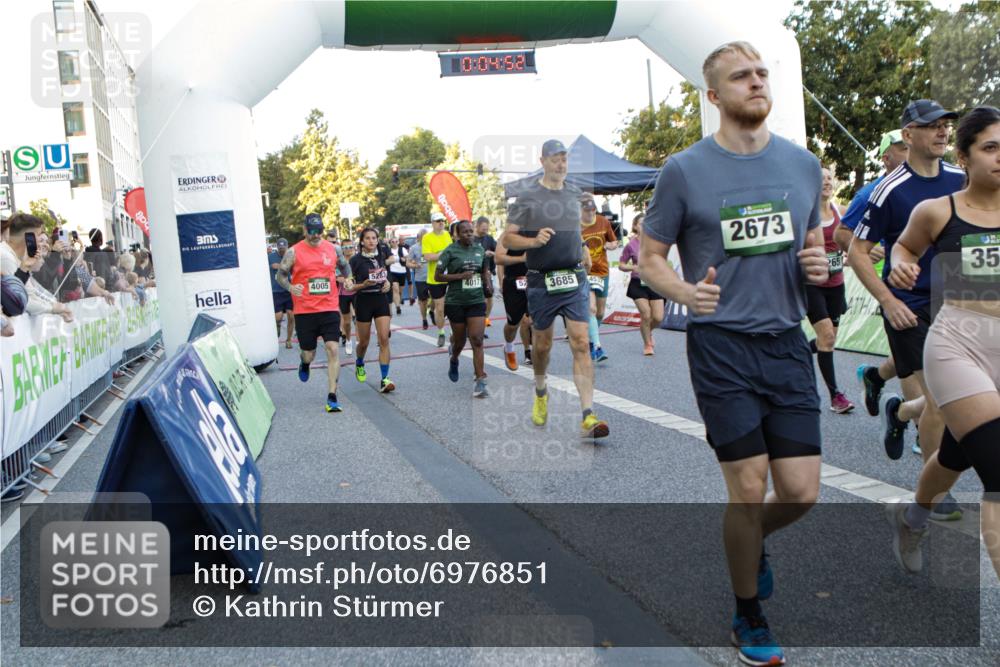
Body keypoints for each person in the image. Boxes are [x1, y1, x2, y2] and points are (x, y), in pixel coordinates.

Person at [639, 41, 829, 666]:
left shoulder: (802, 166)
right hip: (721, 347)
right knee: (748, 488)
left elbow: (810, 249)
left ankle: (750, 545)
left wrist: (818, 265)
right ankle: (747, 613)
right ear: (714, 96)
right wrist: (684, 292)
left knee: (800, 493)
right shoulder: (684, 170)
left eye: (761, 74)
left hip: (784, 343)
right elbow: (650, 257)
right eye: (740, 77)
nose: (756, 83)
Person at [884, 106, 1000, 579]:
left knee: (954, 455)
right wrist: (900, 264)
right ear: (965, 156)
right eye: (990, 147)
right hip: (959, 345)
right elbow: (904, 247)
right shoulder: (938, 210)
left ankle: (912, 519)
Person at [848, 99, 965, 519]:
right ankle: (934, 494)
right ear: (908, 135)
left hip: (958, 303)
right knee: (940, 399)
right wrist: (888, 299)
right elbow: (856, 251)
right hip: (909, 306)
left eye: (946, 125)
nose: (943, 132)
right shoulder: (888, 189)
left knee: (950, 399)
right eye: (932, 126)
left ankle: (898, 412)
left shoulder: (960, 179)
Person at [500, 138, 609, 440]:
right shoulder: (527, 197)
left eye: (564, 158)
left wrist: (583, 246)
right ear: (543, 161)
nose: (561, 164)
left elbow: (573, 229)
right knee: (543, 346)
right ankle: (540, 390)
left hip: (573, 277)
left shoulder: (574, 194)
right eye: (555, 158)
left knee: (580, 341)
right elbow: (507, 240)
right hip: (541, 280)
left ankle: (588, 414)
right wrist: (533, 242)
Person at [837, 130, 908, 418]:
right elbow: (843, 234)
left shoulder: (944, 184)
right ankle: (921, 427)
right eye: (902, 148)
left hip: (942, 283)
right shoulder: (871, 193)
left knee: (914, 357)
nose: (909, 151)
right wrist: (868, 249)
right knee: (915, 360)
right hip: (895, 285)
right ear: (886, 157)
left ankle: (876, 377)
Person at [275, 214, 352, 412]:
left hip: (328, 308)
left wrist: (349, 278)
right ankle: (304, 363)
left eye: (319, 231)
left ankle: (332, 395)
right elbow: (280, 275)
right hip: (305, 311)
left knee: (333, 349)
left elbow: (345, 267)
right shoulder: (293, 251)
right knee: (308, 354)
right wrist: (291, 287)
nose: (316, 235)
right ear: (305, 230)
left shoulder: (333, 249)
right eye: (312, 231)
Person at [806, 167, 855, 414]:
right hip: (811, 285)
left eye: (829, 178)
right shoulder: (806, 213)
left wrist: (849, 252)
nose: (826, 181)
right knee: (827, 337)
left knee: (829, 338)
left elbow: (851, 240)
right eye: (821, 178)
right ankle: (836, 396)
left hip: (836, 284)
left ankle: (799, 351)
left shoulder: (841, 211)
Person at [435, 220, 492, 397]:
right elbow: (438, 276)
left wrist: (488, 285)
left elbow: (484, 271)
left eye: (470, 231)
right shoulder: (450, 251)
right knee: (459, 341)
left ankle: (480, 380)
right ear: (457, 234)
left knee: (477, 339)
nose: (469, 234)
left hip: (476, 300)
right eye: (465, 232)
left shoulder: (479, 249)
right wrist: (460, 276)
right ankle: (454, 358)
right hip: (455, 302)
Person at [350, 227, 396, 393]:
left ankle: (384, 379)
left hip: (380, 300)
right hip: (363, 301)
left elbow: (386, 275)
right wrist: (363, 285)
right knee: (364, 342)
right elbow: (349, 286)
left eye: (374, 238)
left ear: (378, 240)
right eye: (367, 238)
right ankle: (360, 362)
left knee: (384, 339)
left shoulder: (381, 256)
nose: (371, 241)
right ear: (362, 241)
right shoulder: (355, 261)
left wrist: (388, 284)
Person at [580, 192, 619, 362]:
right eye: (587, 210)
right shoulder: (575, 225)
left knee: (600, 312)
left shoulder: (603, 221)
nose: (590, 213)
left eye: (593, 210)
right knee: (592, 308)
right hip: (584, 271)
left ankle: (591, 337)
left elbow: (614, 241)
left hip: (602, 270)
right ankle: (597, 346)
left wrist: (611, 245)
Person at [618, 213, 664, 355]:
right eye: (640, 223)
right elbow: (621, 265)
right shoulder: (630, 245)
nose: (644, 226)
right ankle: (647, 345)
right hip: (638, 282)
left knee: (658, 318)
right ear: (635, 226)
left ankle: (647, 331)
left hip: (654, 281)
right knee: (645, 314)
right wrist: (633, 267)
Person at [495, 232, 533, 370]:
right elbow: (498, 259)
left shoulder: (538, 233)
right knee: (513, 324)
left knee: (531, 321)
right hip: (513, 282)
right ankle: (509, 347)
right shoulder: (507, 235)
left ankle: (535, 357)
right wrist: (521, 259)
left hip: (534, 280)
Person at [422, 212, 453, 347]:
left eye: (442, 221)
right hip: (435, 278)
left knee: (451, 306)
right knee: (440, 309)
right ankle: (441, 332)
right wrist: (442, 255)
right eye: (438, 221)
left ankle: (453, 332)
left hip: (450, 276)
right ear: (432, 223)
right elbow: (428, 257)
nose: (441, 223)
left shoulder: (448, 235)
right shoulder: (427, 238)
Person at [269, 238, 295, 349]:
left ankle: (289, 340)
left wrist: (280, 266)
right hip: (276, 290)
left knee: (291, 315)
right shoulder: (270, 257)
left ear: (287, 247)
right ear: (277, 247)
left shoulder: (291, 256)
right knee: (278, 317)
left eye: (283, 248)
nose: (281, 250)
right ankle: (278, 325)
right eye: (280, 249)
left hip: (288, 290)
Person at [407, 229, 434, 329]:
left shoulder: (433, 246)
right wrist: (415, 266)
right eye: (423, 237)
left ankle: (431, 310)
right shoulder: (414, 248)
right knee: (423, 301)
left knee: (435, 297)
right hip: (420, 278)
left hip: (433, 277)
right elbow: (408, 263)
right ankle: (424, 319)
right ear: (419, 238)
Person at [473, 216, 498, 327]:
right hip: (474, 274)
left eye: (487, 229)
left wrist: (493, 254)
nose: (485, 231)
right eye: (483, 229)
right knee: (479, 301)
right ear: (477, 226)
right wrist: (484, 254)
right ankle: (475, 324)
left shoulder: (489, 239)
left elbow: (499, 251)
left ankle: (484, 319)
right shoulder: (470, 239)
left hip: (487, 273)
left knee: (489, 298)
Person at [336, 240, 357, 356]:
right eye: (345, 247)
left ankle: (359, 342)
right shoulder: (339, 262)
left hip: (356, 292)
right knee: (347, 322)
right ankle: (348, 340)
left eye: (350, 247)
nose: (348, 249)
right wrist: (340, 279)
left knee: (359, 320)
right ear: (342, 249)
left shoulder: (357, 259)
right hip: (343, 294)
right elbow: (336, 277)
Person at [387, 236, 409, 315]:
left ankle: (399, 298)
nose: (395, 243)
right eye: (393, 242)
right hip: (392, 272)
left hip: (402, 271)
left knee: (400, 290)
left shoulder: (402, 249)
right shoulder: (388, 250)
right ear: (390, 243)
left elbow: (408, 257)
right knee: (395, 289)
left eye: (396, 241)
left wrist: (405, 259)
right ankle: (398, 307)